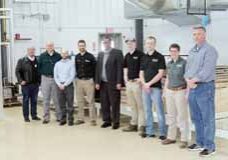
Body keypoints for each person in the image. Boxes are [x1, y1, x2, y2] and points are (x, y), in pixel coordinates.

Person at [184, 26, 218, 157]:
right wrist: (188, 80)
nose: (196, 36)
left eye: (199, 34)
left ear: (204, 35)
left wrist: (193, 80)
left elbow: (207, 70)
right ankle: (200, 142)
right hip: (192, 88)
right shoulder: (192, 51)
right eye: (194, 34)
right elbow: (187, 69)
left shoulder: (210, 50)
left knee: (207, 118)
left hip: (205, 88)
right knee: (196, 117)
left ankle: (210, 146)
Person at [162, 43, 189, 148]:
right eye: (171, 51)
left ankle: (184, 139)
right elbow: (167, 78)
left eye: (175, 51)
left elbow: (187, 78)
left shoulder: (184, 63)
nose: (173, 53)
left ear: (178, 52)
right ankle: (171, 137)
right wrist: (164, 91)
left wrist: (187, 93)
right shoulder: (169, 63)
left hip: (180, 91)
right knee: (171, 115)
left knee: (182, 116)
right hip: (170, 91)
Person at [139, 36, 166, 139]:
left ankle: (162, 133)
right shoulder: (144, 57)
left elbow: (160, 74)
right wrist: (144, 84)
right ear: (146, 44)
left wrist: (149, 84)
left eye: (151, 43)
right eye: (148, 43)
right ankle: (149, 131)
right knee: (147, 110)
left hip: (155, 88)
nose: (149, 45)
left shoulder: (160, 57)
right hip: (145, 88)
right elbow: (141, 73)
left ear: (155, 44)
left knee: (159, 111)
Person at [95, 36, 124, 130]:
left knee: (114, 103)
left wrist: (119, 82)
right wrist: (97, 82)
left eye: (107, 42)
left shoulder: (117, 53)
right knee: (104, 103)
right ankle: (107, 120)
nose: (105, 44)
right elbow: (98, 69)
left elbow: (120, 68)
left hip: (114, 83)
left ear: (110, 42)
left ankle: (116, 122)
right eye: (104, 42)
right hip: (103, 83)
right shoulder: (100, 54)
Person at [122, 37, 145, 136]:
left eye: (131, 43)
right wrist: (125, 79)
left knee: (140, 106)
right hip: (129, 84)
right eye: (128, 43)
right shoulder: (127, 55)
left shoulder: (140, 55)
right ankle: (133, 124)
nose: (129, 45)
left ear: (135, 44)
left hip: (137, 83)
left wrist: (141, 79)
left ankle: (141, 126)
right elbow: (125, 68)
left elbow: (143, 69)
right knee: (132, 106)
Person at [38, 41, 62, 124]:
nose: (50, 47)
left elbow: (61, 67)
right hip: (45, 79)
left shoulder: (58, 56)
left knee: (56, 99)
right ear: (46, 47)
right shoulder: (42, 56)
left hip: (55, 79)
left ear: (53, 46)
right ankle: (46, 118)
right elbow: (39, 68)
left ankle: (59, 117)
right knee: (46, 99)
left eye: (51, 45)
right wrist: (43, 74)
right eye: (48, 45)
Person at [15, 47, 41, 122]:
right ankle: (26, 117)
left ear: (34, 51)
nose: (31, 51)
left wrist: (39, 82)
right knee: (26, 100)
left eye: (33, 50)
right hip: (26, 85)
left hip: (35, 85)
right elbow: (17, 71)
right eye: (30, 50)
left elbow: (39, 72)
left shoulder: (37, 60)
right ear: (27, 51)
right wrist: (21, 81)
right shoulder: (22, 60)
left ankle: (34, 115)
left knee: (34, 100)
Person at [75, 40, 97, 126]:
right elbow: (76, 68)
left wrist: (95, 81)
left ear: (85, 46)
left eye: (83, 45)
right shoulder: (76, 57)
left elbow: (95, 69)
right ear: (78, 46)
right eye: (80, 46)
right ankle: (81, 118)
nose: (81, 47)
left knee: (90, 100)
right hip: (79, 81)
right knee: (80, 101)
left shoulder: (91, 56)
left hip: (89, 81)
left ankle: (93, 120)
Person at [54, 49, 75, 126]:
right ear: (61, 54)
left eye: (66, 53)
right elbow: (55, 76)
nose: (64, 55)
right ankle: (63, 119)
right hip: (59, 86)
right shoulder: (57, 64)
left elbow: (72, 75)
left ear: (67, 54)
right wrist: (59, 84)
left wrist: (65, 84)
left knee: (70, 103)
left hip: (68, 85)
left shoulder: (71, 63)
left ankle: (70, 119)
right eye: (63, 53)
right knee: (61, 103)